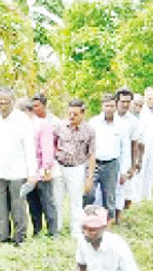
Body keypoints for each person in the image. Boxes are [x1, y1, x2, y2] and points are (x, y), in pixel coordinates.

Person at [0, 87, 37, 245]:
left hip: (18, 172)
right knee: (0, 208)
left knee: (18, 207)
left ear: (12, 102)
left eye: (6, 102)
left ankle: (19, 238)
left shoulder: (22, 120)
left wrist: (32, 173)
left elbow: (29, 148)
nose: (3, 106)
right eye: (0, 103)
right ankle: (3, 238)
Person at [54, 99, 96, 237]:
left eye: (75, 114)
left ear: (82, 114)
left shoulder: (89, 130)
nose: (71, 117)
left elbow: (92, 154)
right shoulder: (59, 126)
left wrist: (89, 177)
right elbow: (52, 144)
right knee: (57, 199)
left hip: (77, 168)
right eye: (70, 113)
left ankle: (76, 230)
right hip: (59, 167)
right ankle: (56, 228)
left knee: (76, 200)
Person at [86, 94, 124, 220]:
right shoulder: (93, 123)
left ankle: (107, 224)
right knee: (88, 193)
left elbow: (125, 148)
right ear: (102, 107)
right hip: (94, 163)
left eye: (112, 106)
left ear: (116, 107)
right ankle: (87, 221)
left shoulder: (120, 125)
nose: (109, 108)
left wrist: (124, 170)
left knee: (109, 196)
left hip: (111, 164)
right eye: (107, 105)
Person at [25, 93, 58, 237]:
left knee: (47, 202)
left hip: (42, 170)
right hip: (29, 172)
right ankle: (37, 230)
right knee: (33, 203)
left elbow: (47, 149)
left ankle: (52, 232)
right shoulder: (24, 126)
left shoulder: (42, 124)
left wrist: (46, 169)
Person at [113, 88, 142, 223]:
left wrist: (133, 165)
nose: (125, 105)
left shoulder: (133, 121)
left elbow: (134, 144)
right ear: (116, 101)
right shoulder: (108, 117)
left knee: (121, 187)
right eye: (122, 101)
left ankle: (118, 216)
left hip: (124, 158)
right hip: (107, 156)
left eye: (128, 102)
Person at [139, 87, 153, 201]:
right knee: (141, 171)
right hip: (142, 145)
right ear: (145, 98)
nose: (152, 101)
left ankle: (148, 195)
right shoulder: (141, 112)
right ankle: (138, 196)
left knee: (150, 171)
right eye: (149, 98)